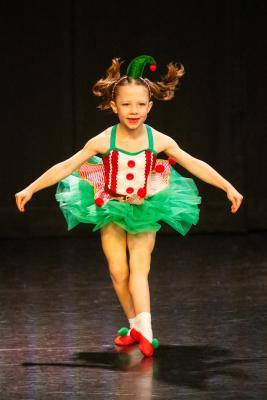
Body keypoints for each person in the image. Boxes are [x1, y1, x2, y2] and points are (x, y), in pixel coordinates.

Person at [15, 55, 244, 357]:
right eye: (126, 105)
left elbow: (194, 163)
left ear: (150, 106)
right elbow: (67, 165)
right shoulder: (103, 140)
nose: (133, 111)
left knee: (139, 268)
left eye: (140, 105)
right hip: (110, 205)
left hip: (144, 206)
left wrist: (227, 186)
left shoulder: (158, 139)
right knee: (117, 271)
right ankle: (134, 325)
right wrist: (31, 187)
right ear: (114, 106)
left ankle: (146, 331)